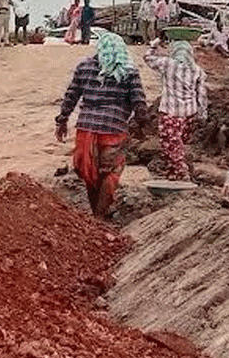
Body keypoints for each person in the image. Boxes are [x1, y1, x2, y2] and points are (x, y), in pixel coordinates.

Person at [54, 33, 149, 219]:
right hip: (113, 130)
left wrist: (62, 120)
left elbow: (71, 96)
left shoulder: (84, 66)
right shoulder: (129, 70)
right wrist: (142, 125)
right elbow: (139, 102)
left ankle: (95, 215)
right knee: (110, 172)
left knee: (90, 173)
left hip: (86, 129)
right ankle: (99, 217)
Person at [144, 38, 208, 180]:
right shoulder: (197, 70)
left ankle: (181, 172)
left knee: (171, 145)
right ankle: (174, 174)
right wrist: (202, 113)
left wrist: (154, 45)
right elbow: (202, 95)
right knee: (179, 144)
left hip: (170, 112)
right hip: (189, 113)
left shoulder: (168, 64)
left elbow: (147, 58)